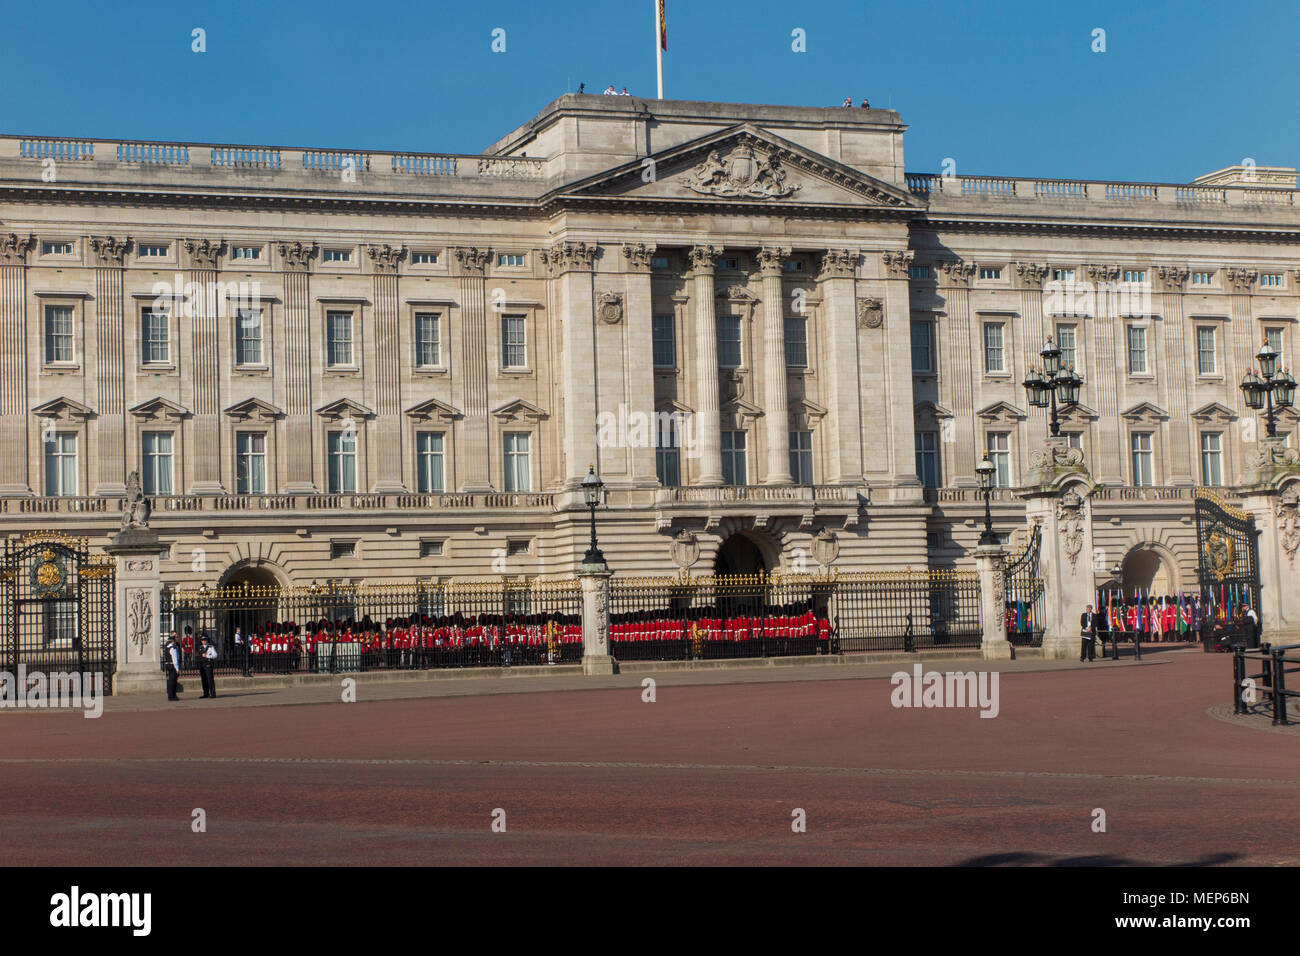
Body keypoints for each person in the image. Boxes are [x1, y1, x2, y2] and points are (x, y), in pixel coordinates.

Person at [164, 632, 182, 701]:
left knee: (171, 681)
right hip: (172, 665)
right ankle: (172, 696)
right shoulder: (173, 648)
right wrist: (177, 669)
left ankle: (171, 695)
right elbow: (175, 660)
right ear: (172, 641)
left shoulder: (167, 647)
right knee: (173, 681)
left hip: (168, 665)